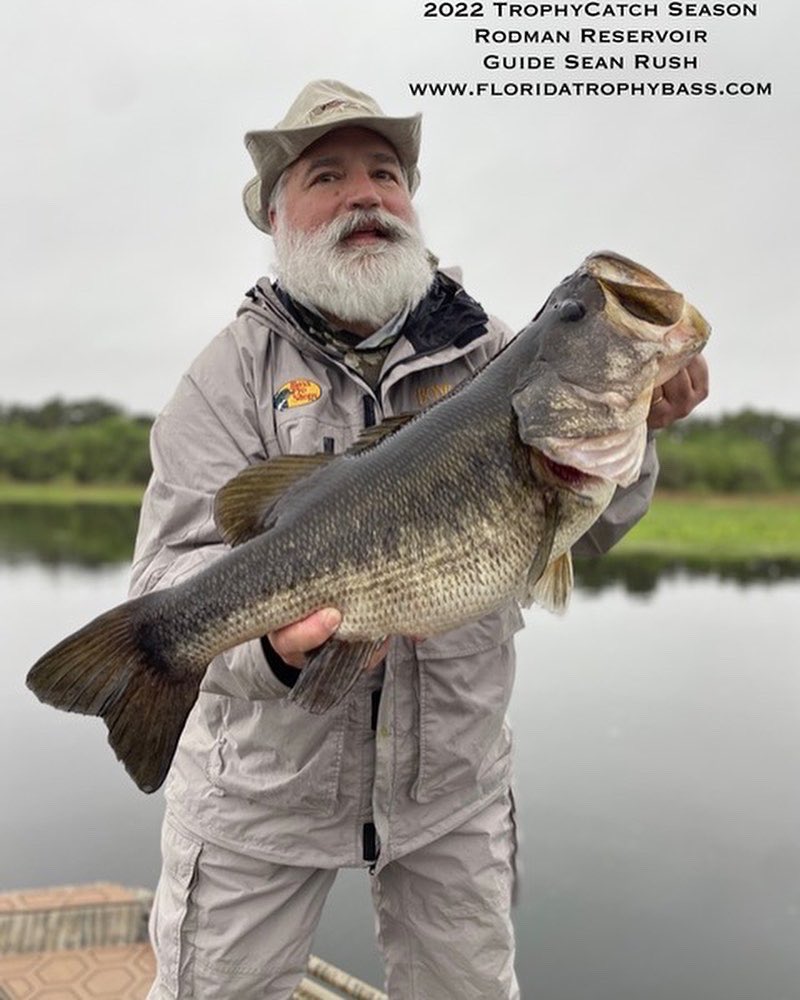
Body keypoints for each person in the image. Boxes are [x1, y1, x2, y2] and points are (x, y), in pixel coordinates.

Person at [133, 80, 708, 1000]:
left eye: (386, 172)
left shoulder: (496, 356)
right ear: (277, 215)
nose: (365, 193)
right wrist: (274, 652)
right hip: (258, 794)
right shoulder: (224, 377)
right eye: (328, 175)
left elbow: (573, 533)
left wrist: (641, 439)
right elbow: (162, 575)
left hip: (454, 789)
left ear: (412, 199)